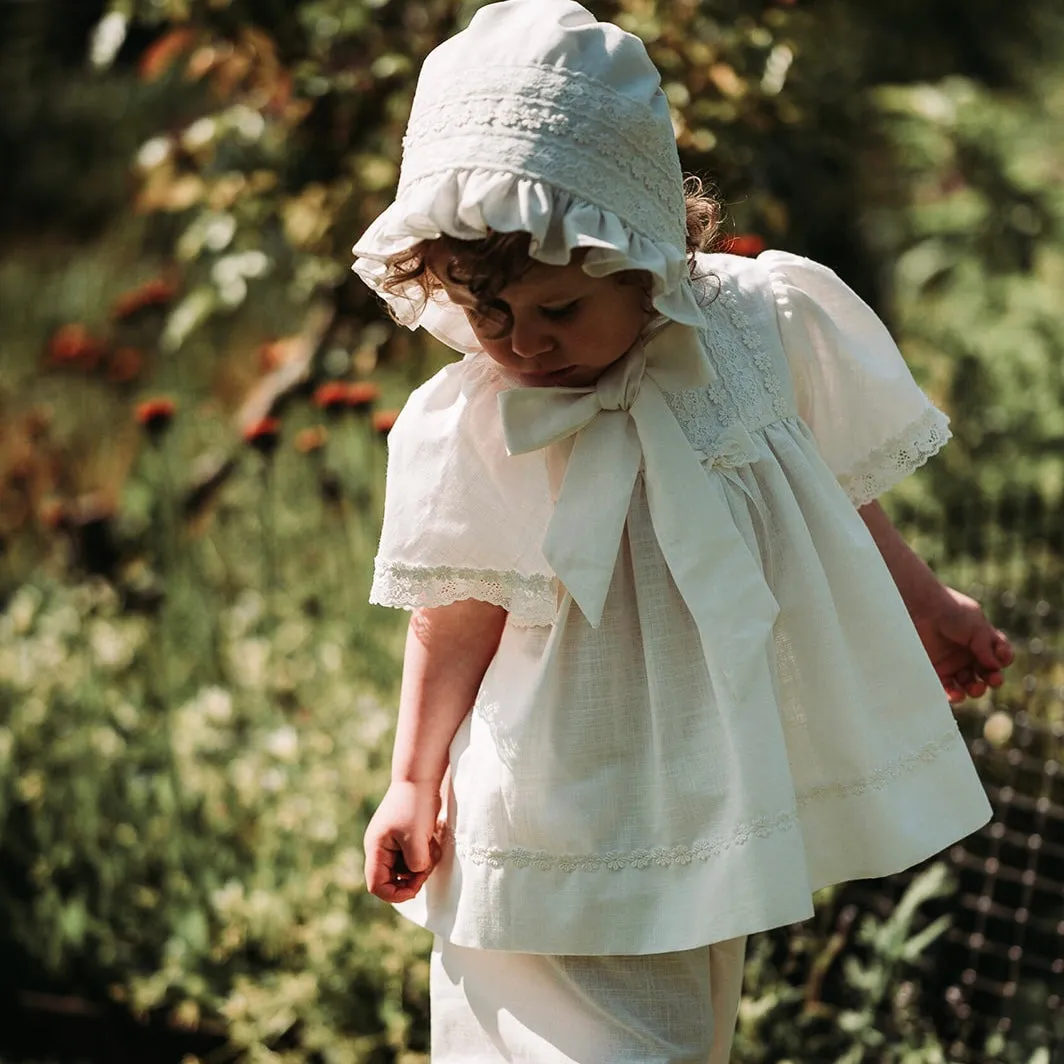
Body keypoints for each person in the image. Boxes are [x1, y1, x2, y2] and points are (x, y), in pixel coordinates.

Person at [351, 2, 1014, 1061]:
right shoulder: (479, 417)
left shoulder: (752, 328)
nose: (523, 343)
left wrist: (925, 601)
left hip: (702, 791)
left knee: (682, 1034)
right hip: (549, 799)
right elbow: (454, 612)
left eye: (558, 310)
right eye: (492, 318)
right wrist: (411, 776)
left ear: (642, 249)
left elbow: (823, 485)